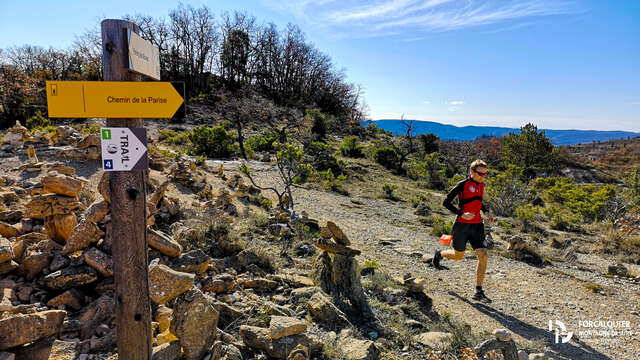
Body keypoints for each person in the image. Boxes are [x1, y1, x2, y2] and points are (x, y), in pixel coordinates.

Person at [433, 159, 495, 303]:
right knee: (458, 256)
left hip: (477, 226)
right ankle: (439, 254)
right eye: (480, 173)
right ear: (472, 172)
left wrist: (486, 212)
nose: (483, 176)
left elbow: (479, 202)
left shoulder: (481, 185)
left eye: (485, 174)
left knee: (483, 255)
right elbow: (446, 202)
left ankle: (478, 291)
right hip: (462, 225)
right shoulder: (462, 185)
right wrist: (462, 214)